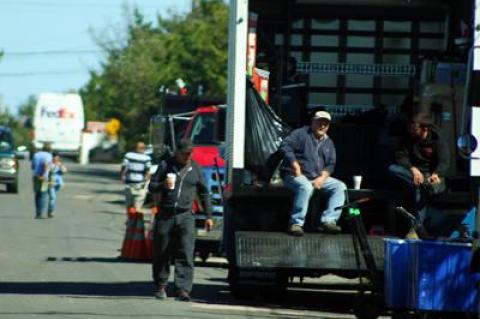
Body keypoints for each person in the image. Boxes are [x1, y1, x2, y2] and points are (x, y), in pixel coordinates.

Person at [148, 139, 214, 301]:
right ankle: (161, 286)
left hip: (186, 216)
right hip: (165, 214)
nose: (188, 156)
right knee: (162, 252)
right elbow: (151, 186)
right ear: (176, 152)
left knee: (186, 252)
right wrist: (163, 184)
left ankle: (183, 290)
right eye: (184, 153)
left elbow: (204, 193)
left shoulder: (196, 168)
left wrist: (209, 216)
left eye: (190, 153)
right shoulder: (165, 165)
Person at [280, 110, 347, 236]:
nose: (322, 126)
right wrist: (295, 165)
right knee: (305, 187)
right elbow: (285, 146)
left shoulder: (329, 142)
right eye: (319, 122)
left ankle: (329, 221)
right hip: (295, 175)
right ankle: (296, 223)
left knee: (340, 187)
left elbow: (331, 164)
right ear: (312, 122)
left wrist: (322, 177)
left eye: (325, 124)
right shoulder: (300, 133)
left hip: (316, 177)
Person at [388, 112, 450, 219]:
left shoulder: (437, 138)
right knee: (392, 169)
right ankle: (421, 183)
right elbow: (400, 156)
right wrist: (412, 168)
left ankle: (418, 227)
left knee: (421, 188)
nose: (412, 131)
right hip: (413, 173)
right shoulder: (408, 137)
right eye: (410, 129)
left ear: (424, 129)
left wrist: (436, 174)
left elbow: (444, 160)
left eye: (415, 130)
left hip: (430, 175)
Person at [120, 141, 152, 214]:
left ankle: (131, 222)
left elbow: (124, 167)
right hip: (140, 185)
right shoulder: (146, 158)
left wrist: (122, 176)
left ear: (135, 148)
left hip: (129, 184)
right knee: (138, 207)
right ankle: (138, 223)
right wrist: (147, 183)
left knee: (129, 206)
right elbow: (148, 171)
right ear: (143, 149)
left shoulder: (128, 155)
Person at [31, 143, 53, 219]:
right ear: (49, 150)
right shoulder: (49, 156)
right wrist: (44, 174)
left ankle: (37, 212)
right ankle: (40, 213)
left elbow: (33, 166)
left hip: (36, 176)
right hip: (44, 178)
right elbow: (46, 164)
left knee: (37, 194)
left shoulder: (36, 155)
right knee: (43, 194)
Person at [46, 152, 67, 218]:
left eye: (57, 157)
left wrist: (60, 166)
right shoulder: (49, 164)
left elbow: (64, 171)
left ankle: (50, 211)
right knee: (52, 197)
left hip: (58, 183)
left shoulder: (60, 164)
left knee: (53, 198)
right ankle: (51, 211)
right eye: (54, 157)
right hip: (50, 183)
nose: (55, 158)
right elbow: (46, 172)